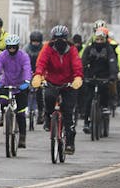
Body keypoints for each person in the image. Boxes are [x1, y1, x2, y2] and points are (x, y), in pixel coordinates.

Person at [32, 25, 83, 154]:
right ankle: (48, 118)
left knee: (68, 112)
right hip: (52, 81)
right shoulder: (48, 48)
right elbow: (41, 63)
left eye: (62, 39)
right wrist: (38, 75)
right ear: (52, 39)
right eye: (56, 38)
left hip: (68, 84)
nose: (59, 41)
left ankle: (70, 143)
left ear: (66, 39)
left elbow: (77, 65)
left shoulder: (72, 50)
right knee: (48, 98)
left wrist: (77, 78)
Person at [79, 29, 120, 131]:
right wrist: (81, 74)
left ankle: (105, 107)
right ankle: (86, 122)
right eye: (97, 39)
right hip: (91, 75)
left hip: (104, 75)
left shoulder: (109, 49)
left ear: (105, 39)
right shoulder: (89, 49)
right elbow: (83, 62)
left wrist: (112, 75)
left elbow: (112, 62)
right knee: (89, 98)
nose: (99, 41)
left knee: (104, 91)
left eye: (101, 39)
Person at [0, 33, 33, 149]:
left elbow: (27, 68)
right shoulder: (2, 56)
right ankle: (4, 114)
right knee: (3, 101)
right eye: (9, 47)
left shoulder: (23, 56)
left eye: (14, 47)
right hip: (6, 83)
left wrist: (27, 82)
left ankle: (22, 136)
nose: (11, 49)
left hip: (20, 85)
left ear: (17, 46)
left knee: (21, 113)